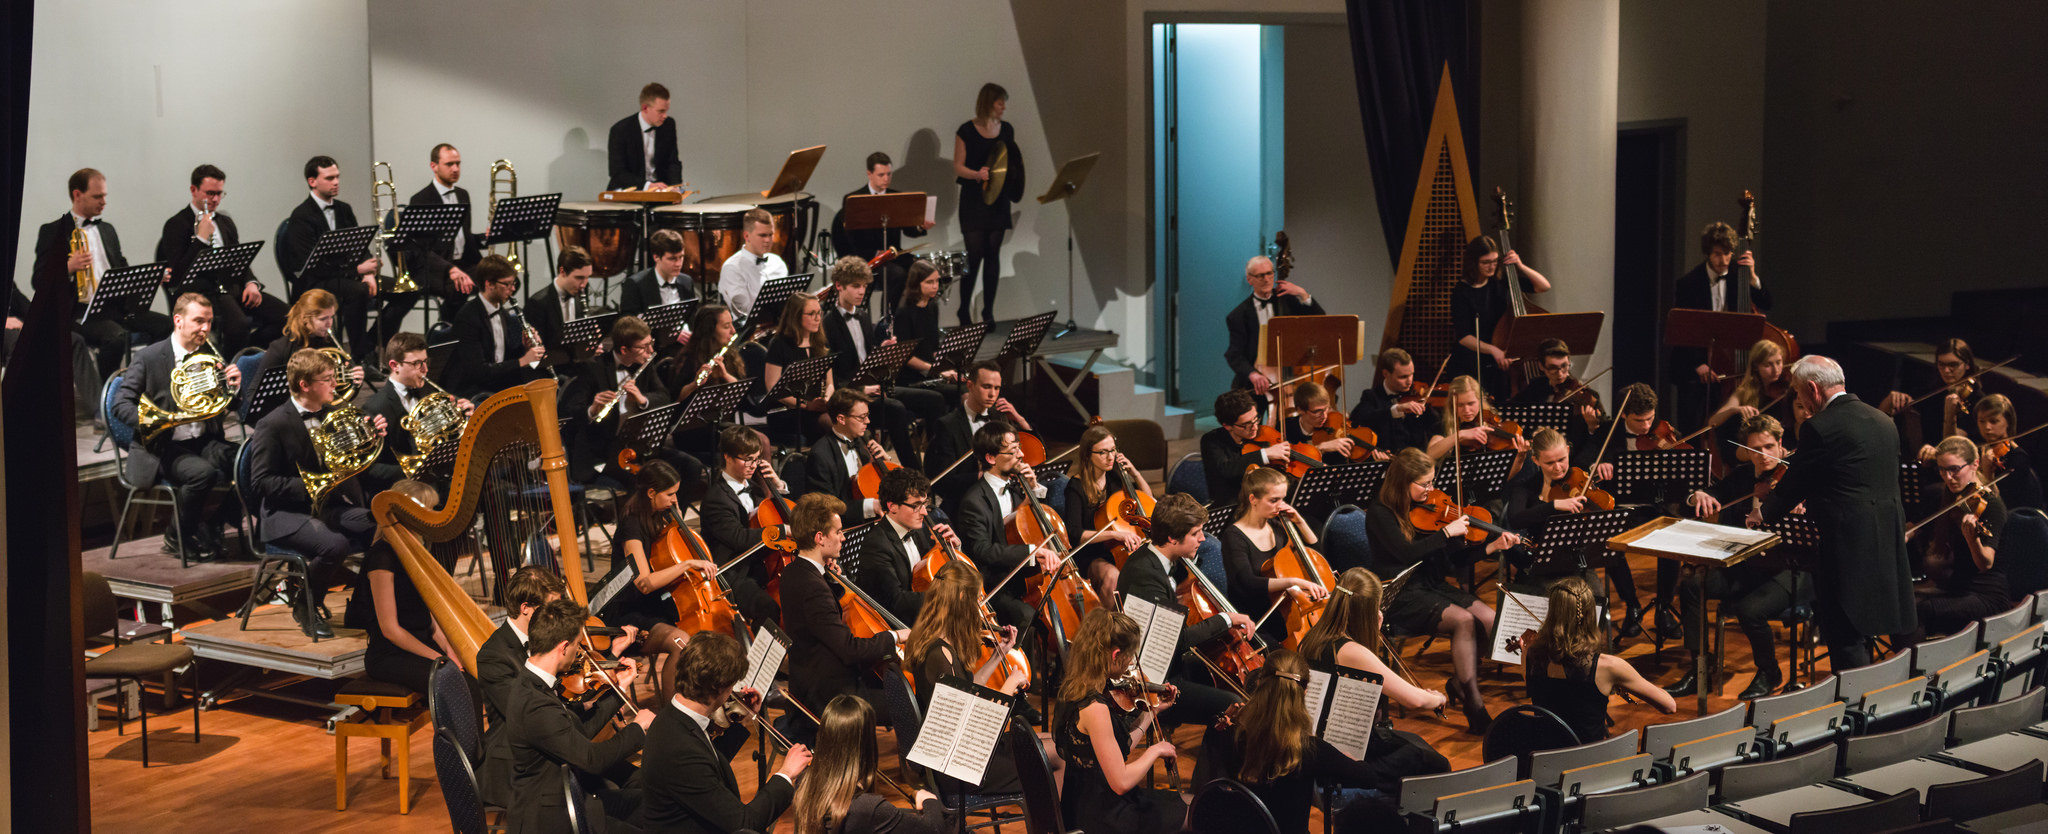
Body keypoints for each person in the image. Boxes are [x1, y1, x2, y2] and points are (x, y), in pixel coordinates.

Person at [1758, 354, 1916, 670]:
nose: (1800, 400)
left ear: (1813, 389)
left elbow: (1795, 485)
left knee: (1845, 635)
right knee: (1892, 627)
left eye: (1799, 393)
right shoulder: (1883, 421)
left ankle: (1858, 710)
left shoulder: (1820, 428)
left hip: (1847, 547)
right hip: (1888, 540)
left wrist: (1764, 512)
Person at [1197, 650, 1443, 831]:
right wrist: (1346, 758)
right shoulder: (1308, 748)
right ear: (1304, 693)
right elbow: (1367, 777)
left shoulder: (1230, 731)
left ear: (1260, 683)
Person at [1366, 449, 1517, 733]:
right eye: (1424, 484)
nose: (1431, 490)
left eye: (1432, 482)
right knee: (1463, 621)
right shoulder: (1380, 513)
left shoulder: (1433, 511)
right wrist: (1446, 533)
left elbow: (1457, 562)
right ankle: (1475, 706)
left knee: (1489, 619)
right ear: (1402, 482)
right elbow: (1405, 553)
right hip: (1400, 593)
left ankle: (1460, 683)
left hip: (1433, 585)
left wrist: (1490, 547)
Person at [1665, 414, 1810, 699]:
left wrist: (1801, 513)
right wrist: (1697, 496)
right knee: (1692, 586)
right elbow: (1694, 501)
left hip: (1792, 569)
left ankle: (1769, 671)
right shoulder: (1744, 477)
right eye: (1756, 450)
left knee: (1749, 610)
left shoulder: (1798, 477)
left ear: (1781, 444)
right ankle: (1700, 669)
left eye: (1769, 447)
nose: (1764, 456)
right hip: (1750, 566)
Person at [246, 349, 386, 637]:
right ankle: (305, 604)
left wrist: (369, 440)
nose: (335, 385)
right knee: (334, 546)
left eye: (333, 378)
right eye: (327, 379)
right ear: (304, 385)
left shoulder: (336, 414)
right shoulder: (272, 423)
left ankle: (360, 606)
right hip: (284, 514)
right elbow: (260, 482)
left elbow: (351, 464)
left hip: (329, 507)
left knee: (383, 529)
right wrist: (312, 485)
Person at [108, 292, 244, 559]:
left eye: (209, 322)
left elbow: (230, 406)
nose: (205, 328)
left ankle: (213, 525)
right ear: (178, 320)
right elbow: (120, 405)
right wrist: (154, 420)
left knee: (248, 461)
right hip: (163, 445)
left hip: (205, 439)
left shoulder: (209, 355)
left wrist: (234, 390)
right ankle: (176, 535)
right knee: (202, 474)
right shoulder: (149, 357)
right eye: (198, 321)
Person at [504, 598, 654, 834]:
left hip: (573, 798)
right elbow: (592, 759)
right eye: (577, 645)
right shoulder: (534, 704)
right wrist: (638, 727)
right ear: (563, 647)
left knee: (657, 807)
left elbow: (577, 734)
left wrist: (619, 691)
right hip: (554, 817)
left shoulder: (536, 683)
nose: (580, 651)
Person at [639, 630, 810, 834]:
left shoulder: (675, 715)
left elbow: (709, 762)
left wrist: (742, 720)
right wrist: (786, 774)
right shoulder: (679, 749)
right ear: (719, 688)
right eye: (731, 686)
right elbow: (745, 822)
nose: (733, 692)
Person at [779, 493, 909, 742]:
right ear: (820, 538)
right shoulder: (812, 586)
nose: (843, 537)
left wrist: (832, 582)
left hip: (815, 679)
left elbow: (819, 621)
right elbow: (849, 649)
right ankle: (917, 772)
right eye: (838, 532)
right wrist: (896, 636)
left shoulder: (795, 571)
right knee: (909, 701)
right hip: (830, 695)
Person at [1119, 493, 1253, 729]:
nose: (1203, 538)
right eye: (1195, 533)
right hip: (1153, 681)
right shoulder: (1145, 575)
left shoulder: (1163, 562)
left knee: (1233, 681)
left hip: (1172, 664)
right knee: (1233, 705)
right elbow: (1177, 641)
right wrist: (1227, 619)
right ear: (1171, 537)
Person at [904, 561, 1033, 793]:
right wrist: (1009, 685)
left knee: (1047, 748)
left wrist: (998, 655)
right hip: (958, 766)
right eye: (977, 599)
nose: (980, 607)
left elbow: (968, 688)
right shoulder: (940, 654)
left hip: (957, 753)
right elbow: (973, 721)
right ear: (963, 597)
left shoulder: (933, 640)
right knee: (1048, 762)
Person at [1052, 607, 1184, 834]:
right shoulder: (1096, 708)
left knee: (1185, 805)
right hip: (1103, 817)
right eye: (1130, 656)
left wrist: (1152, 712)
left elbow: (1113, 749)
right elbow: (1121, 782)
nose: (1131, 663)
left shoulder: (1074, 687)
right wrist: (1155, 750)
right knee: (1194, 812)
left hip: (1084, 802)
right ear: (1115, 655)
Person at [477, 567, 599, 809]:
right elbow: (531, 711)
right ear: (525, 608)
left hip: (553, 739)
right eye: (550, 608)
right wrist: (578, 703)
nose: (556, 615)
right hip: (519, 763)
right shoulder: (493, 656)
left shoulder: (549, 638)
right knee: (601, 787)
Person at [591, 459, 707, 703]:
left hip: (657, 605)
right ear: (651, 493)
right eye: (670, 494)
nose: (676, 500)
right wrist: (686, 564)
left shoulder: (661, 516)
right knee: (681, 642)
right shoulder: (631, 525)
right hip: (630, 615)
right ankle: (671, 718)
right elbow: (643, 583)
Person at [42, 168, 172, 381]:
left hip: (115, 307)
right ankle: (109, 397)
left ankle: (151, 384)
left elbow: (122, 269)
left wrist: (149, 278)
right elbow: (39, 280)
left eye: (104, 196)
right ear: (77, 195)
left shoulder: (108, 230)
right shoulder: (53, 231)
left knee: (167, 325)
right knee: (116, 338)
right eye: (97, 196)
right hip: (81, 312)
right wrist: (67, 268)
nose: (104, 201)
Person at [820, 256, 944, 466]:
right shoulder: (828, 324)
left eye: (864, 286)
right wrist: (862, 390)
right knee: (896, 410)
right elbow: (833, 376)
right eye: (855, 286)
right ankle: (911, 470)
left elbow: (867, 359)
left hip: (874, 386)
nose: (862, 291)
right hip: (852, 393)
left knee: (935, 400)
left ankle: (937, 464)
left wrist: (883, 351)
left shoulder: (863, 316)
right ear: (839, 286)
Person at [1523, 577, 1675, 743]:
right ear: (1590, 615)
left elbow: (1536, 691)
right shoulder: (1609, 667)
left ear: (1552, 613)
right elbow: (1669, 706)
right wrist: (1621, 678)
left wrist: (1526, 649)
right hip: (1588, 762)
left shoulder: (1531, 655)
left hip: (1544, 758)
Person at [345, 479, 461, 694]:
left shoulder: (415, 553)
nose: (433, 516)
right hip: (391, 655)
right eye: (429, 510)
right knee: (451, 684)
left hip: (420, 644)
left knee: (474, 672)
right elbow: (391, 630)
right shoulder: (382, 557)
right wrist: (438, 658)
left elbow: (430, 619)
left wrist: (449, 650)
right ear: (409, 514)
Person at [154, 163, 287, 352]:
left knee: (289, 317)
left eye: (219, 193)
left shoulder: (224, 222)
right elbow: (179, 274)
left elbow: (239, 259)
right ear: (194, 190)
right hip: (203, 292)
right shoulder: (176, 224)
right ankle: (232, 369)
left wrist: (251, 283)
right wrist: (200, 239)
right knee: (238, 326)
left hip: (232, 288)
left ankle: (249, 352)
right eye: (210, 193)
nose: (215, 199)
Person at [1297, 567, 1453, 724]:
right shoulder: (1351, 652)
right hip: (1340, 739)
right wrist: (1437, 698)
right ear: (1367, 613)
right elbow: (1415, 700)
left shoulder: (1310, 638)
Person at [952, 421, 1063, 630]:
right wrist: (1033, 552)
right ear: (991, 458)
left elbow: (1031, 527)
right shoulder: (973, 501)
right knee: (1028, 616)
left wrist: (1033, 491)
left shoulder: (1017, 488)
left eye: (1019, 447)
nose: (1021, 455)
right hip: (995, 586)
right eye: (1013, 451)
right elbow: (982, 551)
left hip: (1024, 578)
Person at [790, 695, 951, 834]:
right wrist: (929, 800)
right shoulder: (868, 808)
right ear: (867, 744)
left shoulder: (804, 782)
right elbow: (933, 829)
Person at [1671, 222, 1772, 427]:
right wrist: (1698, 364)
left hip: (1732, 361)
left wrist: (1752, 277)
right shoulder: (1688, 283)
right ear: (1707, 253)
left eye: (1728, 253)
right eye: (1717, 254)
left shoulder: (1740, 274)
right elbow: (1684, 329)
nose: (1724, 260)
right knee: (1692, 419)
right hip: (1697, 363)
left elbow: (1766, 303)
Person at [283, 156, 382, 358]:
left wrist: (369, 270)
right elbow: (310, 266)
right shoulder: (301, 216)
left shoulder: (344, 209)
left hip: (345, 276)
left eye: (337, 177)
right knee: (358, 291)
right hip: (316, 281)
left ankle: (369, 346)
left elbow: (359, 244)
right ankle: (360, 357)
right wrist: (357, 271)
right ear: (312, 181)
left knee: (404, 291)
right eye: (329, 178)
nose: (336, 182)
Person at [1221, 468, 1333, 646]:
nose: (1281, 506)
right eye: (1274, 500)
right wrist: (1293, 582)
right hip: (1258, 618)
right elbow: (1247, 582)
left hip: (1287, 609)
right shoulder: (1234, 537)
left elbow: (1314, 557)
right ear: (1253, 499)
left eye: (1283, 499)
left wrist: (1299, 521)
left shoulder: (1278, 526)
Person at [1913, 436, 2010, 638]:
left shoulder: (1991, 505)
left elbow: (1986, 564)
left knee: (1921, 610)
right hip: (1957, 588)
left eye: (1954, 469)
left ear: (1974, 464)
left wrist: (1973, 539)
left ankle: (1918, 668)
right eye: (1942, 470)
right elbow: (1917, 526)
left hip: (1987, 596)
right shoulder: (1950, 498)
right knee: (1905, 603)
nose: (1948, 477)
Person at [697, 425, 788, 625]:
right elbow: (740, 538)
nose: (752, 465)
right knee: (768, 608)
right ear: (728, 457)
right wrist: (783, 531)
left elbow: (774, 515)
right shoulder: (716, 499)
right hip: (734, 573)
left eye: (756, 459)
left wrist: (778, 485)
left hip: (760, 564)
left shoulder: (754, 488)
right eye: (747, 459)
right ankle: (757, 656)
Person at [360, 331, 473, 491]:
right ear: (394, 366)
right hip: (403, 487)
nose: (425, 369)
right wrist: (415, 470)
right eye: (417, 364)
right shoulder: (376, 407)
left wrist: (465, 418)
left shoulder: (431, 394)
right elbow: (371, 469)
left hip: (440, 477)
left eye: (426, 361)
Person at [951, 82, 1023, 325]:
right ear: (988, 102)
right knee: (974, 255)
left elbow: (1010, 161)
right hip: (974, 199)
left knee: (994, 255)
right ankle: (963, 310)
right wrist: (976, 174)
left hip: (998, 199)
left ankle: (988, 312)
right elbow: (958, 165)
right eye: (999, 102)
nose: (1003, 107)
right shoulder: (966, 131)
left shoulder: (1007, 130)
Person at [388, 142, 479, 330]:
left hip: (463, 262)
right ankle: (449, 333)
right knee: (460, 288)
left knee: (500, 277)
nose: (455, 169)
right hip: (432, 268)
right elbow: (420, 249)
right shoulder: (421, 199)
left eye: (458, 163)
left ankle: (477, 330)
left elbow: (463, 238)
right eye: (449, 164)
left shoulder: (463, 195)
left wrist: (486, 239)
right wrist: (450, 269)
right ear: (434, 166)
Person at [856, 467, 962, 624]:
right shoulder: (876, 545)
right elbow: (896, 601)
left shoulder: (916, 529)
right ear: (892, 507)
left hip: (925, 614)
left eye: (924, 504)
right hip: (901, 625)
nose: (925, 512)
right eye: (916, 505)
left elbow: (930, 572)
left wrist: (952, 550)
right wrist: (946, 596)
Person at [830, 151, 935, 308]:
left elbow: (909, 229)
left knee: (926, 271)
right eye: (881, 175)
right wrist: (874, 254)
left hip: (894, 256)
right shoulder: (854, 199)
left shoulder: (896, 196)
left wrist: (920, 226)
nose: (886, 179)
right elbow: (850, 237)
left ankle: (915, 319)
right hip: (867, 259)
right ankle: (887, 322)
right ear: (869, 174)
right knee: (896, 275)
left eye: (888, 174)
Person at [1451, 235, 1551, 398]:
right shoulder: (1461, 291)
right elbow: (1463, 337)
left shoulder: (1501, 281)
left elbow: (1543, 286)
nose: (1491, 267)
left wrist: (1519, 265)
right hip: (1474, 360)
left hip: (1501, 359)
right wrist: (1493, 350)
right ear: (1473, 262)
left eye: (1495, 261)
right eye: (1486, 262)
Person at [923, 360, 1030, 511]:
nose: (992, 394)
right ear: (970, 386)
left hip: (1004, 494)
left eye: (997, 388)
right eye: (986, 387)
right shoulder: (948, 425)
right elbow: (944, 482)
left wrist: (1019, 418)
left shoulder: (1000, 416)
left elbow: (1031, 452)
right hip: (967, 502)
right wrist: (985, 476)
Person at [1062, 423, 1152, 600]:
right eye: (1103, 452)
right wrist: (1115, 535)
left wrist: (1134, 473)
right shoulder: (1076, 487)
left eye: (1112, 450)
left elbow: (1147, 502)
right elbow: (1075, 534)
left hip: (1120, 548)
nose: (1110, 457)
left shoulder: (1115, 479)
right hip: (1092, 554)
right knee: (1112, 577)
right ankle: (1103, 625)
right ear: (1088, 455)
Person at [1223, 255, 1327, 406]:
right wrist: (1253, 375)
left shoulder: (1288, 301)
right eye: (1260, 275)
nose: (1266, 279)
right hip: (1257, 383)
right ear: (1249, 279)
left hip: (1290, 377)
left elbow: (1319, 320)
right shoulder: (1237, 316)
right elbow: (1234, 354)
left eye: (1269, 273)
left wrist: (1303, 294)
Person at [245, 289, 363, 420]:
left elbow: (339, 393)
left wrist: (354, 382)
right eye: (323, 319)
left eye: (332, 317)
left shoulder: (329, 343)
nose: (329, 323)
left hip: (324, 412)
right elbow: (252, 395)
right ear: (306, 319)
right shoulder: (281, 348)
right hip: (294, 417)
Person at [447, 254, 549, 398]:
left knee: (541, 389)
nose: (512, 289)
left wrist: (525, 349)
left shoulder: (504, 314)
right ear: (489, 284)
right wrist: (523, 361)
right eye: (507, 284)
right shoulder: (468, 318)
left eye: (513, 283)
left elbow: (503, 358)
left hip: (497, 383)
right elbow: (478, 371)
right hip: (472, 390)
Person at [1880, 337, 1983, 459]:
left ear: (1967, 365)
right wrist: (1890, 400)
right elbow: (1881, 418)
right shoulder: (1932, 393)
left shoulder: (1976, 400)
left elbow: (1956, 444)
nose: (1946, 370)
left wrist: (1950, 416)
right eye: (1941, 364)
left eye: (1953, 365)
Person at [804, 389, 889, 524]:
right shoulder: (820, 456)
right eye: (861, 417)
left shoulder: (863, 440)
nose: (867, 421)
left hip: (871, 518)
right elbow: (826, 508)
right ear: (841, 419)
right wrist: (868, 506)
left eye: (867, 415)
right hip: (844, 527)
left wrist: (883, 463)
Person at [762, 291, 833, 445]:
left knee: (849, 417)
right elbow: (773, 390)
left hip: (814, 409)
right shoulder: (779, 344)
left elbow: (830, 383)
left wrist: (826, 400)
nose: (817, 318)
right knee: (829, 422)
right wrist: (807, 405)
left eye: (819, 313)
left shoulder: (820, 342)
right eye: (811, 314)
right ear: (796, 316)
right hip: (785, 413)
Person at [1203, 388, 1290, 505]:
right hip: (1235, 505)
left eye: (1256, 419)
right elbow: (1227, 469)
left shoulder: (1261, 435)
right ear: (1227, 426)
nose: (1255, 427)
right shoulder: (1211, 441)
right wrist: (1265, 454)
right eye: (1246, 424)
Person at [1509, 339, 1602, 445]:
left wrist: (1592, 426)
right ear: (1541, 366)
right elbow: (1512, 407)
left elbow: (1596, 437)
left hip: (1570, 450)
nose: (1560, 373)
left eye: (1564, 366)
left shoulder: (1584, 394)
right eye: (1553, 368)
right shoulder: (1536, 386)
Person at [1350, 348, 1439, 455]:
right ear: (1386, 374)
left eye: (1411, 374)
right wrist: (1396, 409)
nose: (1409, 381)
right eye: (1403, 377)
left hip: (1415, 462)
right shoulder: (1371, 396)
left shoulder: (1418, 397)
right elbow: (1360, 419)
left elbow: (1437, 425)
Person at [891, 260, 961, 394]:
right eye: (929, 282)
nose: (935, 286)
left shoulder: (932, 306)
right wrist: (936, 369)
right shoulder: (904, 312)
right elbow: (905, 357)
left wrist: (946, 367)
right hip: (911, 376)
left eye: (937, 281)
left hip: (929, 370)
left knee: (964, 385)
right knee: (959, 392)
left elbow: (933, 347)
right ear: (916, 284)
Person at [1704, 340, 1794, 442]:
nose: (1776, 369)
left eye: (1779, 362)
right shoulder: (1744, 391)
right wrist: (1734, 409)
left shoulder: (1789, 387)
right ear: (1756, 367)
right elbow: (1713, 421)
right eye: (1768, 365)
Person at [527, 245, 595, 366]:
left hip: (576, 366)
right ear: (562, 271)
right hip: (552, 370)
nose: (584, 284)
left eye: (587, 278)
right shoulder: (538, 303)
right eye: (579, 278)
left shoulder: (580, 293)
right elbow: (538, 353)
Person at [608, 82, 682, 192]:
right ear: (645, 108)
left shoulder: (668, 125)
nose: (665, 116)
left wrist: (675, 186)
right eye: (661, 111)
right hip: (630, 190)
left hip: (659, 192)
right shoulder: (621, 130)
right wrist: (647, 186)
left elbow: (673, 162)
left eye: (666, 111)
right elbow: (618, 173)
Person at [1976, 394, 2043, 511]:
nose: (1987, 427)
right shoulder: (1979, 449)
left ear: (2008, 422)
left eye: (1994, 421)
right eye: (1982, 421)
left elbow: (2001, 507)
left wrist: (1988, 475)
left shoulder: (2018, 459)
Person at [718, 209, 788, 318]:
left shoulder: (777, 262)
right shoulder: (732, 268)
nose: (768, 240)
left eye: (771, 235)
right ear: (746, 236)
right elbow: (741, 312)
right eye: (762, 235)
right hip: (748, 330)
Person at [1287, 381, 1382, 460]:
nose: (1324, 416)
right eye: (1317, 411)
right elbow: (1292, 458)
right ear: (1300, 410)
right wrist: (1321, 448)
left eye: (1326, 409)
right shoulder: (1286, 427)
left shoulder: (1333, 427)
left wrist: (1377, 460)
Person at [620, 229, 699, 321]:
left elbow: (691, 318)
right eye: (672, 259)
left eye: (681, 257)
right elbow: (627, 322)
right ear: (656, 257)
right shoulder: (636, 284)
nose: (678, 264)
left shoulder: (687, 281)